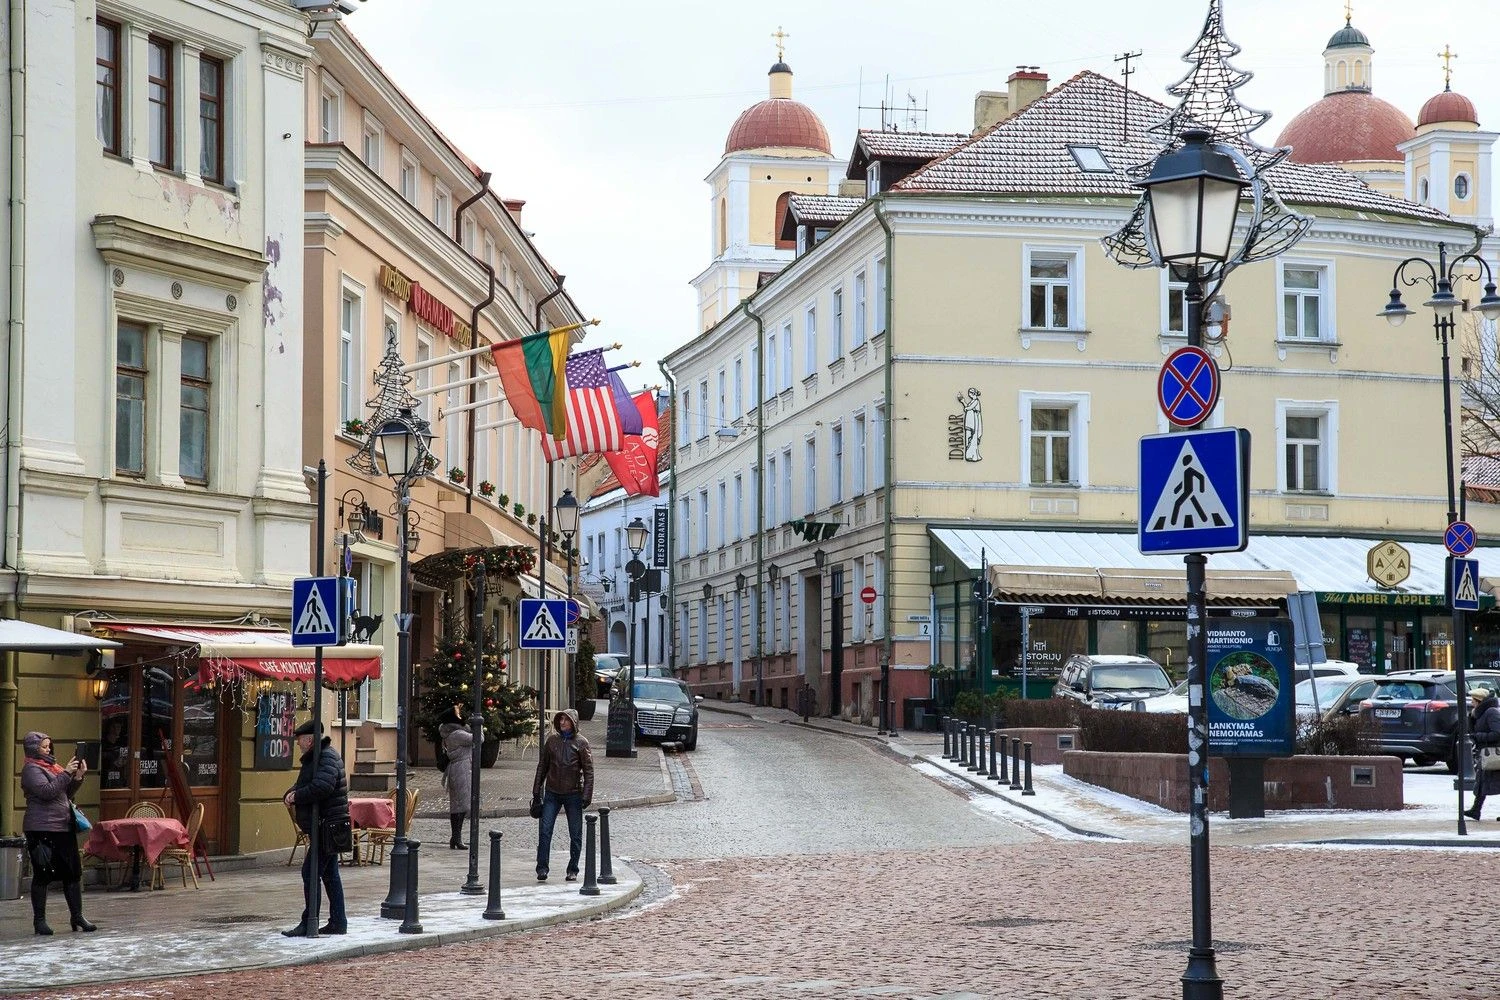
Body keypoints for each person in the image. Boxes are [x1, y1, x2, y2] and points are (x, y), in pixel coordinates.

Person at [20, 732, 95, 935]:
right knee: (43, 874)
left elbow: (64, 793)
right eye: (44, 747)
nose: (48, 750)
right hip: (41, 828)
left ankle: (77, 916)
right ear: (34, 749)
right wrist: (65, 773)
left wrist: (77, 776)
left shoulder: (53, 767)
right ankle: (40, 921)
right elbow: (46, 792)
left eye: (49, 746)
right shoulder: (31, 769)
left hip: (63, 826)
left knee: (72, 873)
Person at [282, 719, 349, 936]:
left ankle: (309, 921)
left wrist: (298, 795)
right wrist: (291, 792)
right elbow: (306, 782)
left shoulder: (325, 757)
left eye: (300, 740)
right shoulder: (317, 757)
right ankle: (338, 922)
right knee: (329, 875)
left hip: (326, 826)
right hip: (326, 826)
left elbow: (323, 786)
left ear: (309, 740)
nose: (298, 744)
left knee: (310, 873)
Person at [532, 709, 593, 882]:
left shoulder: (581, 743)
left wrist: (586, 795)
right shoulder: (552, 741)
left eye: (566, 720)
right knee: (545, 831)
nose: (562, 723)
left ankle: (572, 869)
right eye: (561, 720)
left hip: (573, 794)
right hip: (552, 792)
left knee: (575, 834)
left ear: (573, 722)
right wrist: (536, 791)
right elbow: (542, 766)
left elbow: (589, 771)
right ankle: (542, 867)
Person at [438, 704, 480, 850]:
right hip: (462, 770)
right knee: (460, 805)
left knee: (458, 804)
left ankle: (456, 837)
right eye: (458, 713)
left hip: (459, 769)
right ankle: (456, 837)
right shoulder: (457, 734)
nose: (460, 715)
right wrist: (477, 724)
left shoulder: (454, 733)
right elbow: (478, 739)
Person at [1465, 687, 1500, 821]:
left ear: (1478, 701)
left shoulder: (1491, 712)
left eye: (1472, 700)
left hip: (1494, 754)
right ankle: (1476, 810)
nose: (1471, 703)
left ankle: (1476, 810)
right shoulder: (1479, 713)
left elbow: (1497, 733)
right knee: (1481, 782)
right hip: (1486, 755)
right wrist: (1471, 718)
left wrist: (1478, 736)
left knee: (1491, 782)